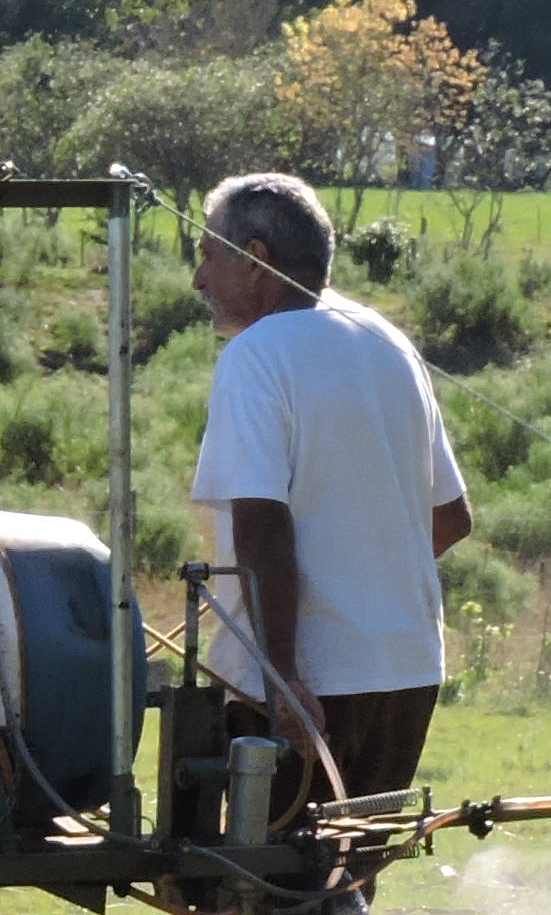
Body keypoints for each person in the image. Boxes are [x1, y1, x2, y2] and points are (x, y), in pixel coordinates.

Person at [184, 168, 476, 818]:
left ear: (255, 260)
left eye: (207, 255)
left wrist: (282, 675)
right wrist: (367, 580)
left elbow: (261, 523)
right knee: (347, 883)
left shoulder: (257, 355)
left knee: (261, 895)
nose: (199, 279)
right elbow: (450, 519)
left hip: (310, 683)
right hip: (405, 669)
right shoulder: (388, 342)